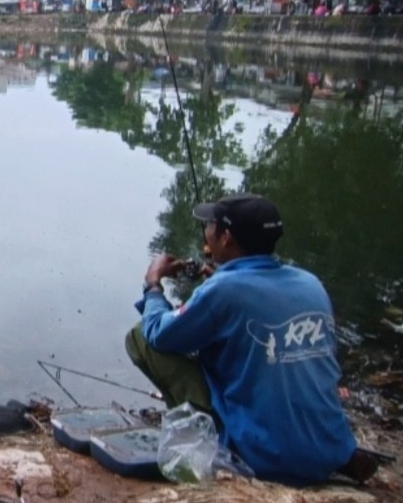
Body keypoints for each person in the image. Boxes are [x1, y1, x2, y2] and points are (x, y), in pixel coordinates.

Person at [125, 193, 378, 487]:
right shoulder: (310, 283)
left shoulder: (224, 290)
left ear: (226, 237)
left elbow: (159, 332)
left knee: (140, 336)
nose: (206, 231)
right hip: (332, 450)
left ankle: (202, 437)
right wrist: (218, 286)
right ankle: (321, 451)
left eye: (210, 225)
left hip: (265, 457)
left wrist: (153, 284)